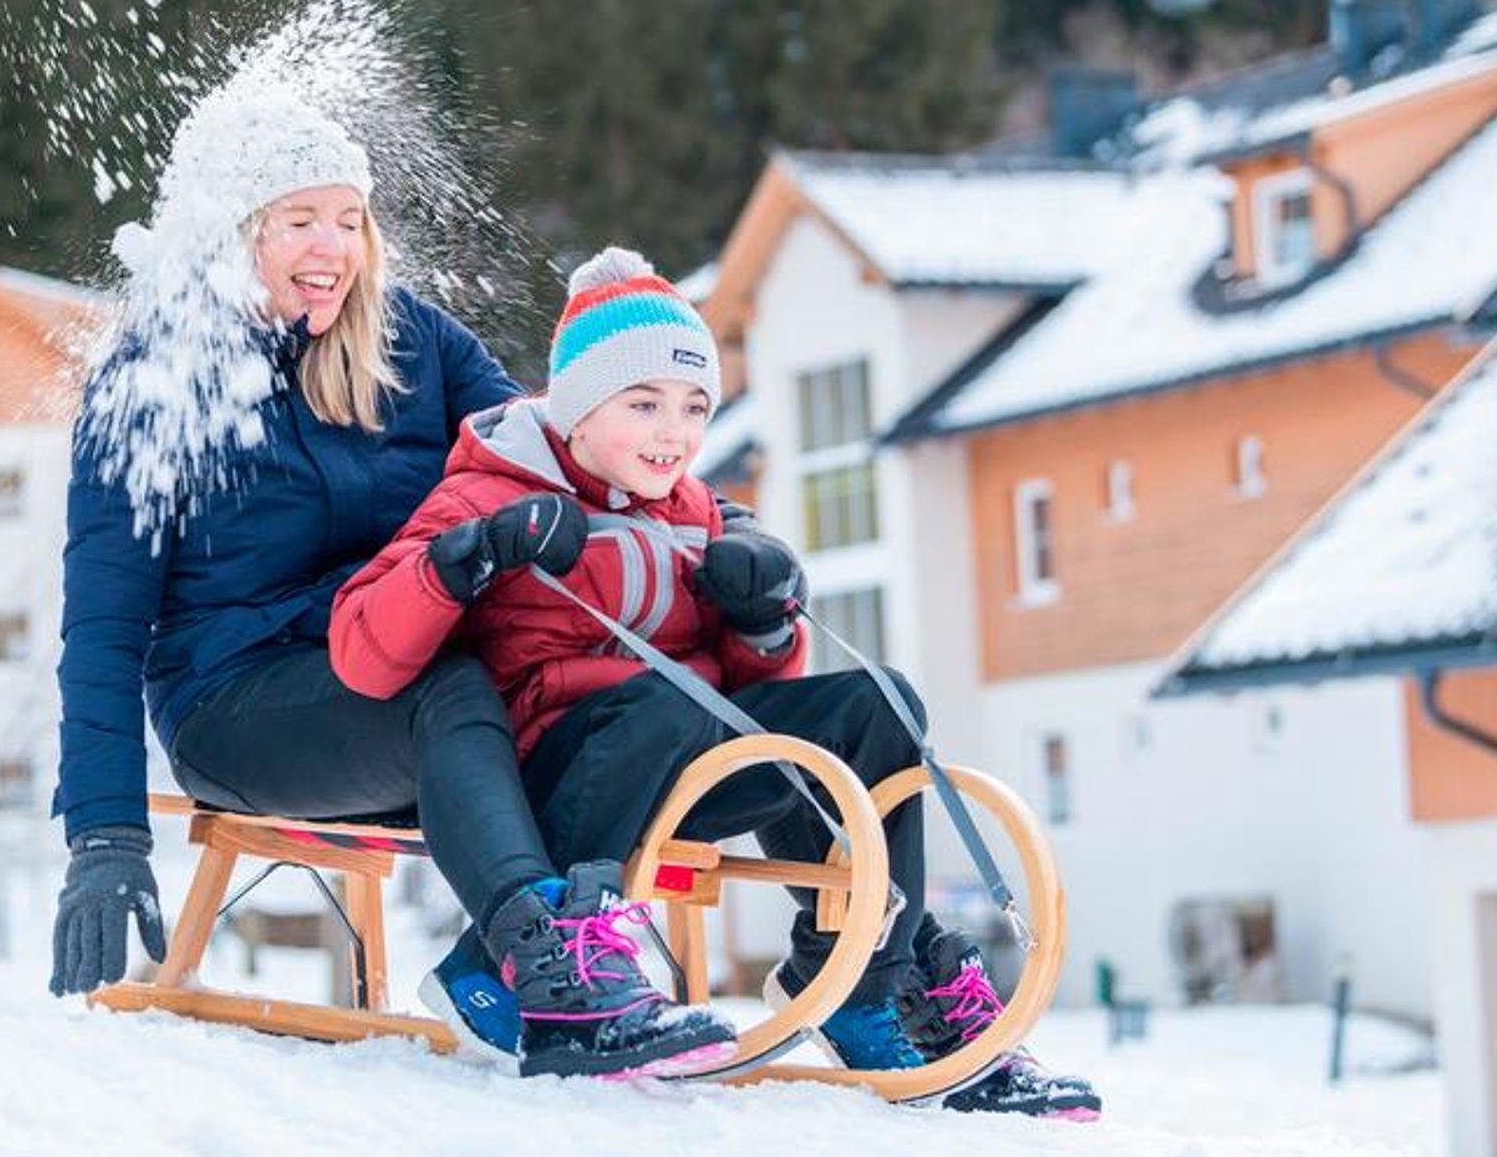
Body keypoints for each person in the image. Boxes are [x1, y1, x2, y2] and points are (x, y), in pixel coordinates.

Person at [331, 247, 1100, 1118]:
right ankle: (521, 959)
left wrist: (761, 621)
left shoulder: (694, 510)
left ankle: (866, 979)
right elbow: (363, 650)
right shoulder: (486, 493)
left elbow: (744, 691)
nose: (675, 433)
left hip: (683, 765)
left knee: (876, 704)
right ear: (577, 406)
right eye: (644, 404)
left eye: (695, 407)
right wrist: (473, 555)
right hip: (554, 782)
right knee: (658, 703)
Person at [49, 103, 735, 1079]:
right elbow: (103, 626)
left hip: (404, 660)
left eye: (349, 219)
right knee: (445, 689)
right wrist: (104, 832)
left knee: (606, 694)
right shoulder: (154, 382)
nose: (332, 247)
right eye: (298, 220)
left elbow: (567, 454)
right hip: (236, 699)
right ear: (233, 234)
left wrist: (731, 531)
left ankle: (858, 970)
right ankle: (540, 963)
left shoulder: (413, 342)